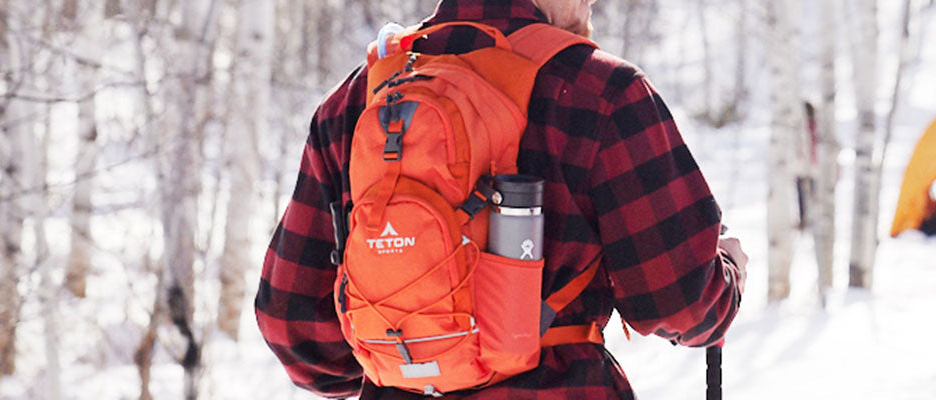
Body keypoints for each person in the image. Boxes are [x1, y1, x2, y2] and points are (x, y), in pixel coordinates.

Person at [254, 0, 747, 398]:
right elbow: (682, 303)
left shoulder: (360, 100)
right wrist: (728, 273)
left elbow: (292, 327)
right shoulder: (603, 91)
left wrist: (415, 353)